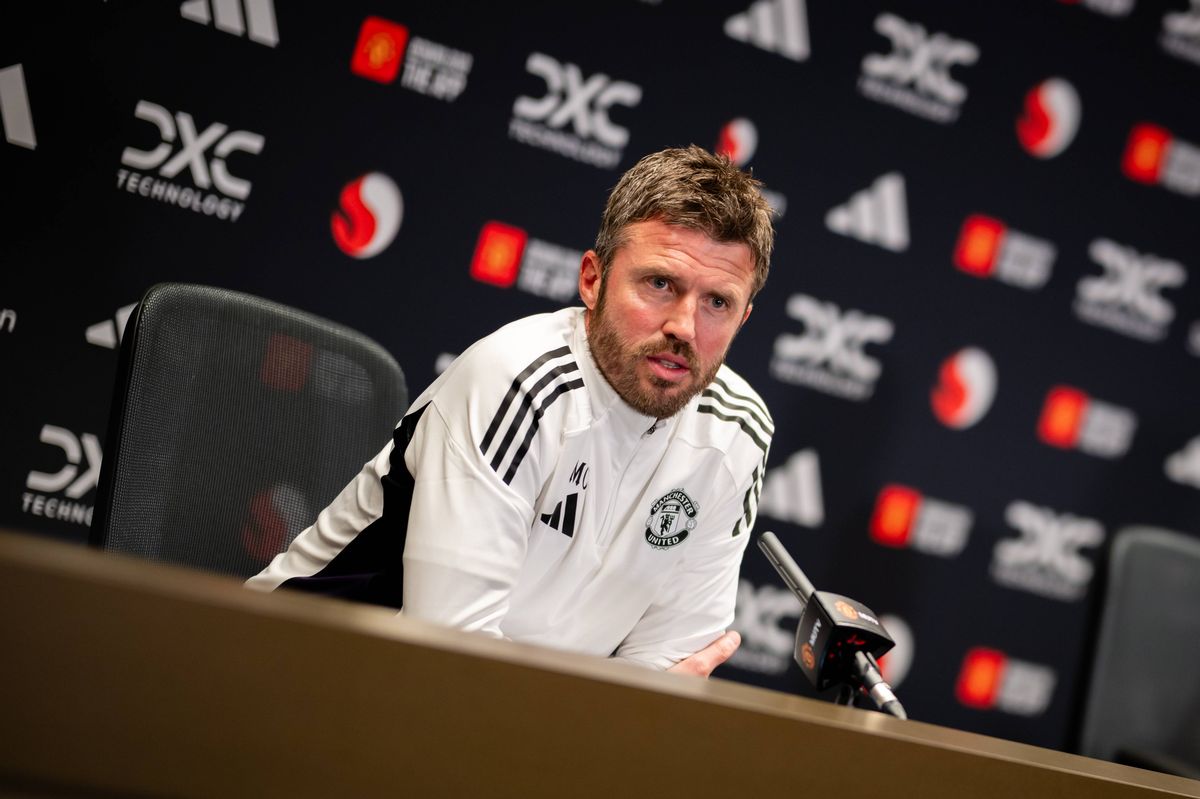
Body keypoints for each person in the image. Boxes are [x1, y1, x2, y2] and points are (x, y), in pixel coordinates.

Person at [247, 145, 775, 676]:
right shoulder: (518, 382)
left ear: (743, 319)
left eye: (717, 303)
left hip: (485, 718)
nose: (685, 327)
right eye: (660, 284)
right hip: (295, 668)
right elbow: (451, 656)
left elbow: (665, 671)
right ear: (593, 280)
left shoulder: (739, 431)